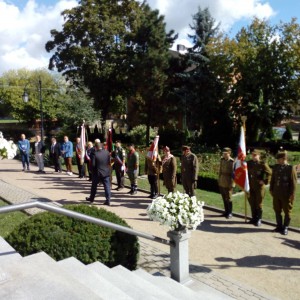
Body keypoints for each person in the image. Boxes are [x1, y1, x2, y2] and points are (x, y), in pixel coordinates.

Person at [270, 150, 297, 235]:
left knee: (287, 211)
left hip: (286, 194)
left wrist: (292, 194)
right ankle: (279, 226)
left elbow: (293, 182)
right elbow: (273, 180)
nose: (277, 160)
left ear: (284, 158)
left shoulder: (290, 168)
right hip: (276, 193)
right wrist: (271, 189)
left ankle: (285, 227)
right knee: (277, 210)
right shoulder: (276, 167)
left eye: (279, 158)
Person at [247, 149, 272, 226]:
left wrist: (264, 181)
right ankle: (254, 218)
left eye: (255, 155)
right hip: (250, 186)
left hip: (259, 187)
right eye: (252, 155)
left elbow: (270, 173)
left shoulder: (262, 164)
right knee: (252, 202)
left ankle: (259, 219)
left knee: (259, 203)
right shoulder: (249, 163)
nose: (253, 156)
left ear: (259, 156)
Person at [85, 140, 111, 205]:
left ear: (95, 147)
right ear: (102, 147)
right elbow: (108, 162)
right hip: (106, 172)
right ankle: (108, 200)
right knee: (107, 186)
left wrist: (91, 170)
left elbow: (93, 164)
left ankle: (92, 198)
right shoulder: (107, 152)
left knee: (94, 186)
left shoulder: (94, 153)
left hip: (97, 173)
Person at [218, 147, 235, 219]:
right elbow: (220, 171)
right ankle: (226, 211)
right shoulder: (222, 160)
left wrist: (233, 183)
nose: (224, 155)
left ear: (229, 153)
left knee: (229, 198)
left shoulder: (232, 161)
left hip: (228, 182)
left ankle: (230, 212)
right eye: (223, 154)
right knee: (224, 197)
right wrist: (219, 179)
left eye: (226, 154)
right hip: (222, 180)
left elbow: (234, 174)